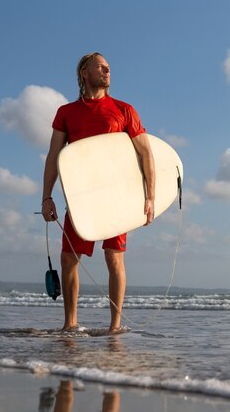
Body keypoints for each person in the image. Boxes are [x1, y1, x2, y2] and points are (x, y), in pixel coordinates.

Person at [41, 52, 155, 333]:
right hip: (82, 197)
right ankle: (70, 325)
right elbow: (54, 156)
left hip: (116, 195)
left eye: (108, 68)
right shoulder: (66, 113)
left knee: (114, 257)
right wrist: (47, 196)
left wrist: (150, 196)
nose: (106, 71)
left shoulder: (123, 109)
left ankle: (115, 326)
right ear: (84, 72)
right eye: (100, 67)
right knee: (68, 258)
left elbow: (146, 154)